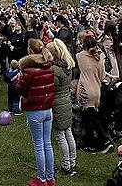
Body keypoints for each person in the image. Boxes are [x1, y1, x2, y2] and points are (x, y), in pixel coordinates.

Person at [15, 38, 56, 186]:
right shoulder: (50, 67)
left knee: (39, 145)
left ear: (30, 51)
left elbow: (19, 89)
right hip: (47, 109)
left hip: (35, 110)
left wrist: (18, 80)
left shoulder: (28, 71)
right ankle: (50, 177)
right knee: (47, 143)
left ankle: (42, 178)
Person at [76, 31, 111, 153]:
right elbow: (102, 77)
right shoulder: (100, 58)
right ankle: (96, 141)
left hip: (85, 89)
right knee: (92, 116)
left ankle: (100, 140)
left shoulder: (80, 56)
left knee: (88, 119)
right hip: (96, 89)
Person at [46, 40, 77, 176]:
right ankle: (72, 162)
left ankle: (66, 165)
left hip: (58, 102)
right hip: (66, 100)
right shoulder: (68, 65)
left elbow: (52, 87)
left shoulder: (55, 70)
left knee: (60, 135)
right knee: (68, 133)